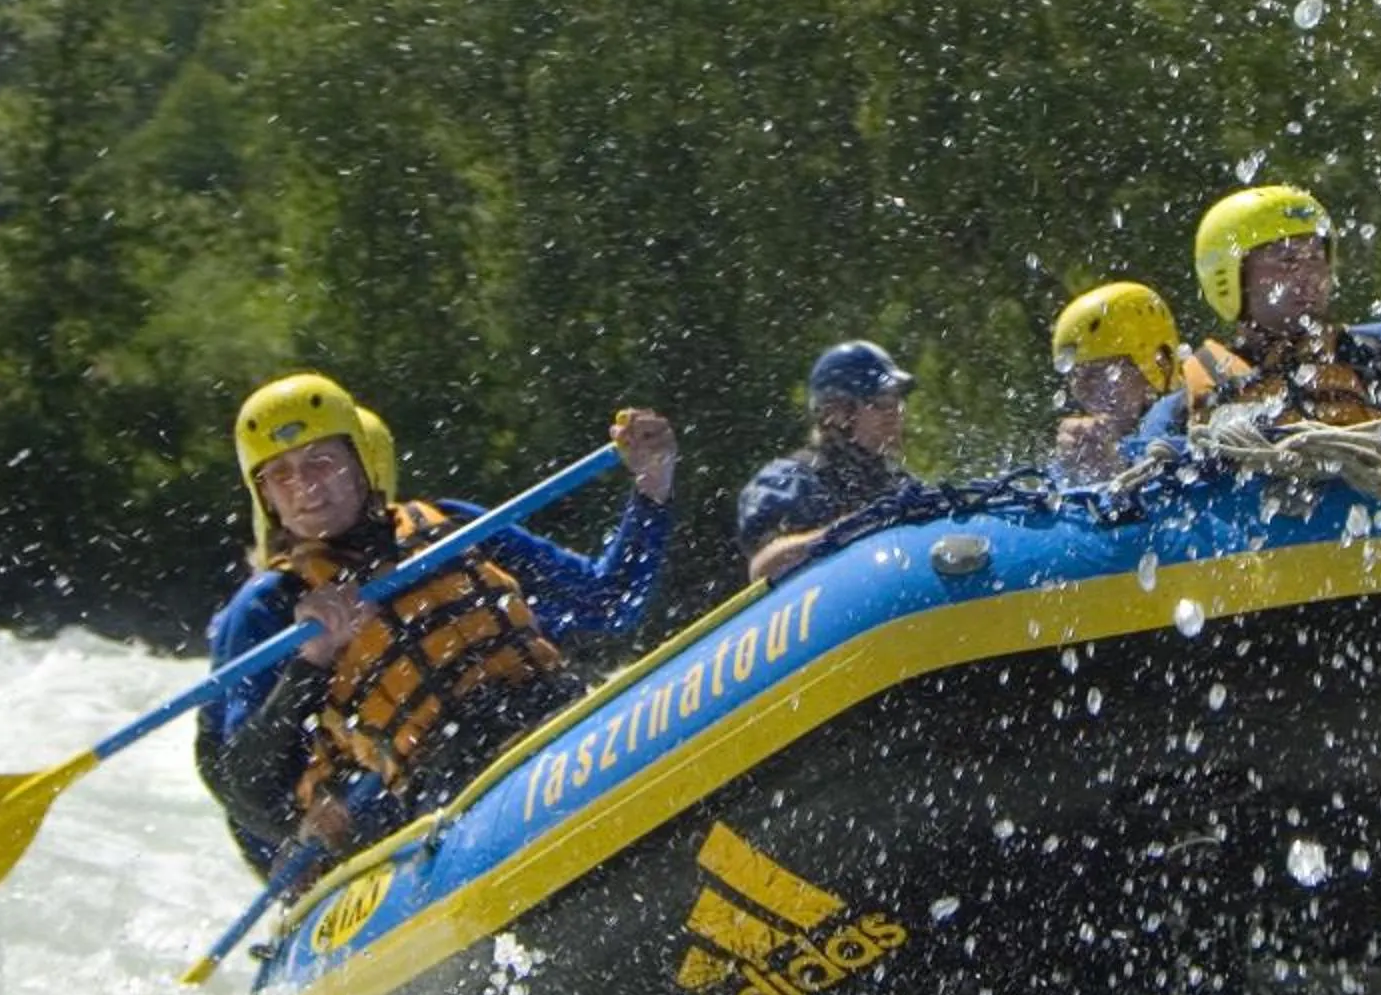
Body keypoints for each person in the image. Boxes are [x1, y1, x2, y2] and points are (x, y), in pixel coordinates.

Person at [197, 372, 680, 885]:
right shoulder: (270, 606)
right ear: (265, 495)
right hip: (450, 783)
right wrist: (309, 663)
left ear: (360, 462)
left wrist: (651, 489)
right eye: (282, 475)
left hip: (562, 715)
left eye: (322, 461)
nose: (307, 487)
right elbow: (243, 782)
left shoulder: (452, 524)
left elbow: (611, 603)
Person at [1134, 183, 1381, 463]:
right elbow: (1132, 493)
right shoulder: (1185, 399)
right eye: (1286, 261)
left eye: (1316, 257)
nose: (1308, 275)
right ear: (1231, 276)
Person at [737, 340, 929, 583]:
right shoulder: (792, 479)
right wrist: (853, 529)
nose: (895, 412)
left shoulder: (898, 483)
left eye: (896, 400)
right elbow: (764, 567)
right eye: (881, 400)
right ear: (835, 412)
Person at [1048, 280, 1196, 481]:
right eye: (1075, 377)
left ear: (1158, 365)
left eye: (1098, 374)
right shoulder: (1083, 449)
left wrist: (1114, 472)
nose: (1083, 389)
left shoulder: (1189, 428)